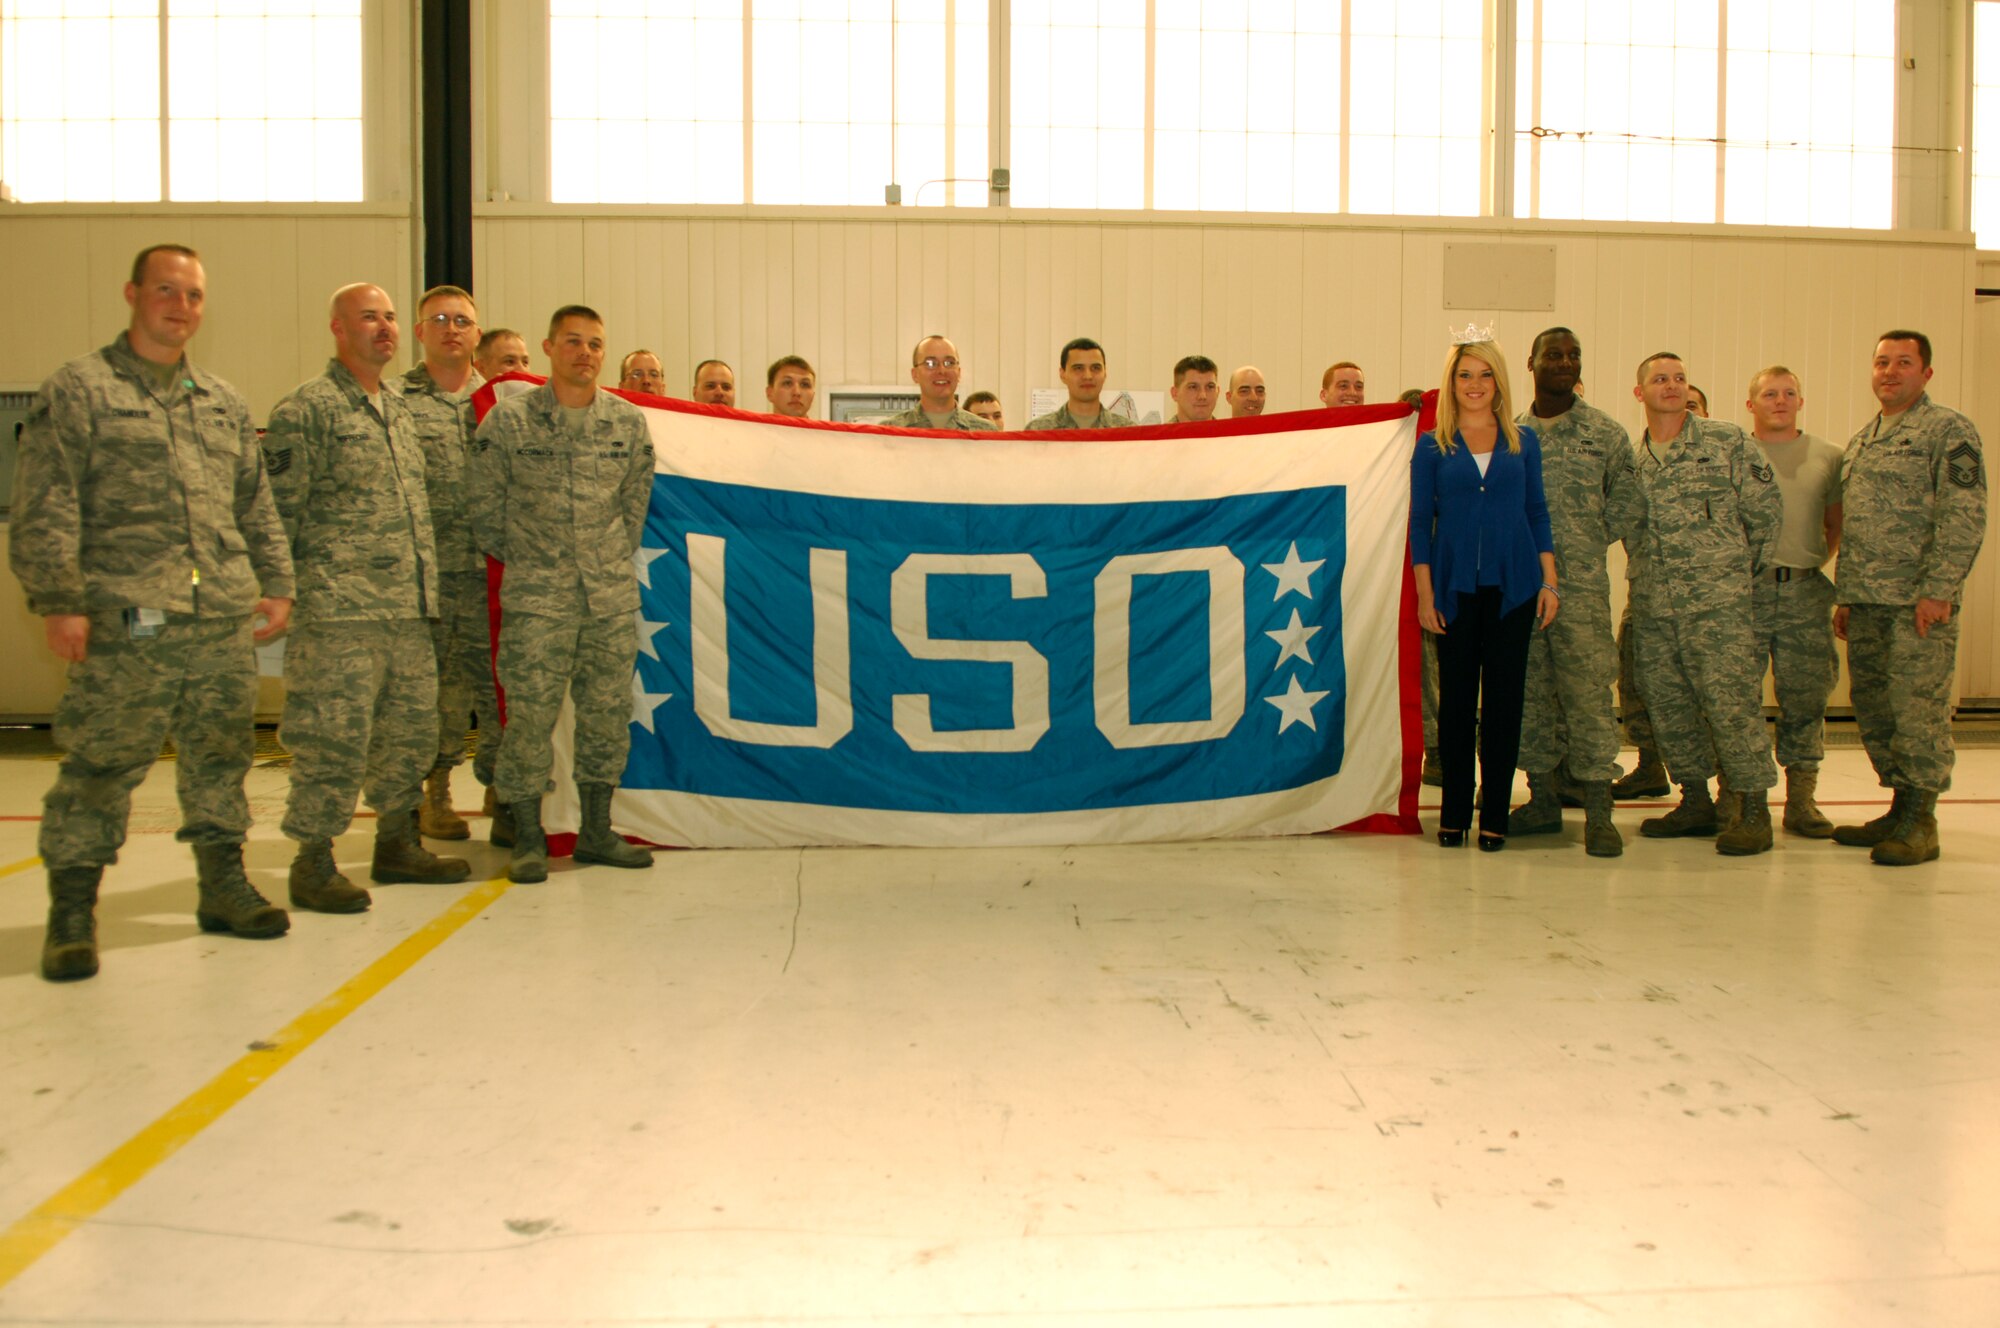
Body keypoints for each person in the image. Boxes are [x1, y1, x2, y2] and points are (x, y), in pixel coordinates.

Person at [12, 243, 297, 981]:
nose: (181, 305)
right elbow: (45, 503)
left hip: (219, 617)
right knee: (102, 765)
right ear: (133, 293)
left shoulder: (222, 401)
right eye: (167, 290)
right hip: (124, 617)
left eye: (194, 295)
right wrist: (59, 601)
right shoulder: (80, 389)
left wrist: (277, 581)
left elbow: (253, 500)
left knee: (221, 758)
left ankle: (222, 887)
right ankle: (73, 912)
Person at [263, 283, 470, 914]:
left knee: (408, 733)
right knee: (332, 738)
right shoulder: (307, 410)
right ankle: (313, 860)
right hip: (338, 613)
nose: (383, 328)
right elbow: (277, 515)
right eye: (368, 318)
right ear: (337, 328)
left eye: (387, 318)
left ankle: (396, 843)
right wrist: (282, 594)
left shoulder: (401, 410)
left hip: (408, 609)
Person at [471, 305, 656, 884]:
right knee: (528, 720)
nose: (585, 353)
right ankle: (527, 834)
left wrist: (596, 561)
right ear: (549, 348)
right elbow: (484, 512)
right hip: (537, 601)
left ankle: (597, 831)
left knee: (606, 717)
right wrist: (539, 561)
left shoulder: (627, 423)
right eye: (572, 342)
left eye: (595, 344)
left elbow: (634, 508)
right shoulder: (508, 423)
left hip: (608, 601)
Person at [1830, 330, 1987, 865]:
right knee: (1875, 708)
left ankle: (1922, 819)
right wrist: (1847, 593)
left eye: (1903, 362)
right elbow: (1857, 522)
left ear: (1926, 373)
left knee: (1918, 709)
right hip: (1868, 601)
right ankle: (1898, 807)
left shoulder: (1948, 430)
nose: (1889, 372)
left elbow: (1964, 513)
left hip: (1917, 602)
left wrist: (1940, 589)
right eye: (1881, 362)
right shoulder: (1863, 438)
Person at [1625, 352, 1782, 854]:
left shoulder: (1726, 441)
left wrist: (1729, 575)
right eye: (1659, 379)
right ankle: (1695, 800)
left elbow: (1765, 516)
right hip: (1653, 606)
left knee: (1731, 706)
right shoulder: (1633, 459)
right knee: (1670, 707)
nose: (1671, 387)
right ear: (1640, 393)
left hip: (1718, 607)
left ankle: (1752, 809)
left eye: (1679, 378)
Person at [1409, 336, 1557, 851]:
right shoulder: (1431, 445)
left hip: (1513, 590)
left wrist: (1549, 582)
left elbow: (1537, 513)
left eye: (1485, 374)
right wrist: (1426, 596)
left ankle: (1495, 812)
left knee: (1502, 705)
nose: (1475, 385)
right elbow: (1419, 523)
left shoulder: (1523, 441)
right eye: (1465, 375)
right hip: (1452, 593)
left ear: (1500, 382)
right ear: (1451, 383)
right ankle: (1453, 812)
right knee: (1454, 709)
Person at [1509, 327, 1641, 856]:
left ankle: (1600, 812)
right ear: (1532, 362)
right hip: (1522, 588)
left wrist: (1583, 542)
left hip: (1581, 592)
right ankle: (1541, 800)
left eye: (1573, 356)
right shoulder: (1511, 435)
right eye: (1553, 355)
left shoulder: (1605, 433)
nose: (1564, 363)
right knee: (1530, 697)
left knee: (1588, 699)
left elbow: (1628, 504)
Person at [402, 284, 501, 845]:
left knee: (498, 689)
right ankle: (434, 793)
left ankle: (499, 788)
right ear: (420, 333)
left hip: (491, 571)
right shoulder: (395, 401)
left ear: (476, 334)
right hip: (428, 577)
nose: (450, 329)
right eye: (438, 320)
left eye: (461, 320)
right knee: (437, 694)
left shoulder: (501, 403)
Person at [1744, 365, 1843, 837]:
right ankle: (1743, 798)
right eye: (1769, 394)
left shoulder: (1828, 456)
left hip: (1804, 592)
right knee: (1738, 698)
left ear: (1800, 402)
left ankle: (1801, 800)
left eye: (1789, 393)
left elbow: (1835, 522)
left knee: (1805, 697)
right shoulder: (1735, 453)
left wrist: (1810, 560)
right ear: (1751, 405)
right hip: (1747, 594)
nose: (1779, 401)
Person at [885, 336, 998, 430]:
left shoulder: (985, 432)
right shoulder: (890, 431)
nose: (941, 370)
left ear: (959, 373)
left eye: (949, 363)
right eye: (930, 363)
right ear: (915, 375)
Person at [1025, 338, 1133, 430]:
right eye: (1078, 368)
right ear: (1063, 374)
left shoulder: (1128, 433)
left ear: (1105, 373)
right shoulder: (1038, 431)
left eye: (1096, 368)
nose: (1088, 376)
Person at [1166, 355, 1220, 424]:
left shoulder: (1230, 434)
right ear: (1175, 393)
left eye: (1210, 387)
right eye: (1193, 387)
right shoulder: (1162, 435)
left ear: (1218, 392)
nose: (1202, 396)